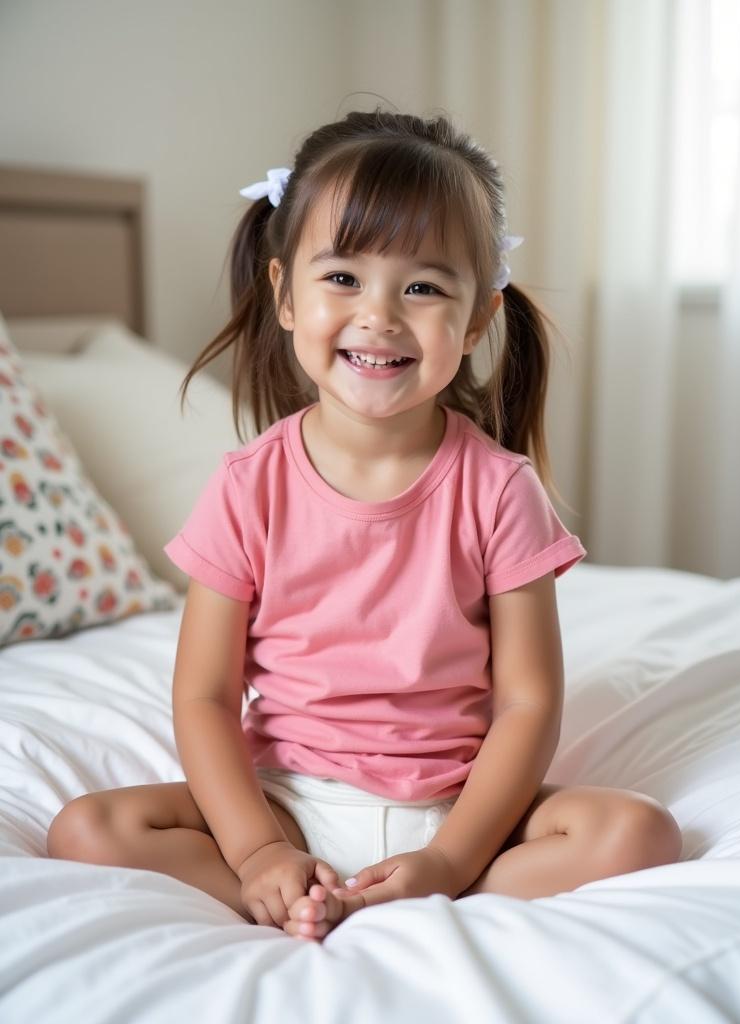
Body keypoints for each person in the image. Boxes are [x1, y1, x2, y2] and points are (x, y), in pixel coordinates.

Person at [46, 108, 682, 944]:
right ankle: (293, 895)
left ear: (479, 318)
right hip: (288, 802)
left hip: (456, 809)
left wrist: (451, 860)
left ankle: (420, 897)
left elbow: (529, 702)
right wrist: (257, 852)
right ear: (283, 293)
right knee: (86, 830)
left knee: (640, 834)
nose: (379, 315)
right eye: (343, 277)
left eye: (422, 286)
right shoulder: (248, 485)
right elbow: (203, 695)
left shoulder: (498, 489)